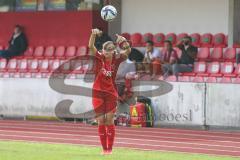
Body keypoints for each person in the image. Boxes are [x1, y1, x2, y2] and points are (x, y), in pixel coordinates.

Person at [88, 28, 131, 155]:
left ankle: (109, 150)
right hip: (97, 92)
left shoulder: (116, 60)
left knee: (109, 120)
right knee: (101, 120)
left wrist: (124, 42)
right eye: (104, 50)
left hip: (111, 92)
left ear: (113, 51)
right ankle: (104, 149)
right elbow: (90, 46)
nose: (105, 52)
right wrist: (93, 34)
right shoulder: (99, 57)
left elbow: (128, 51)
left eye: (109, 50)